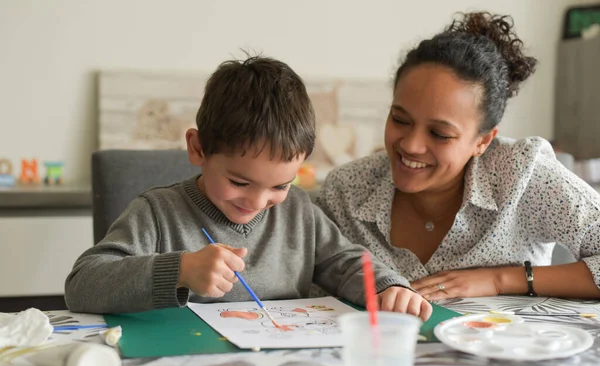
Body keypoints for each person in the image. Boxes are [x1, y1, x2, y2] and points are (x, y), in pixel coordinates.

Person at [65, 55, 432, 320]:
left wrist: (389, 286)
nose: (258, 201)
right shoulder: (157, 214)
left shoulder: (298, 211)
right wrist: (179, 270)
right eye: (239, 181)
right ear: (198, 149)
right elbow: (82, 285)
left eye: (280, 185)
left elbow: (346, 262)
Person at [317, 12, 600, 301]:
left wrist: (500, 280)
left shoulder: (522, 174)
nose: (412, 145)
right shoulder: (346, 191)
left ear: (483, 140)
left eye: (440, 134)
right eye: (400, 120)